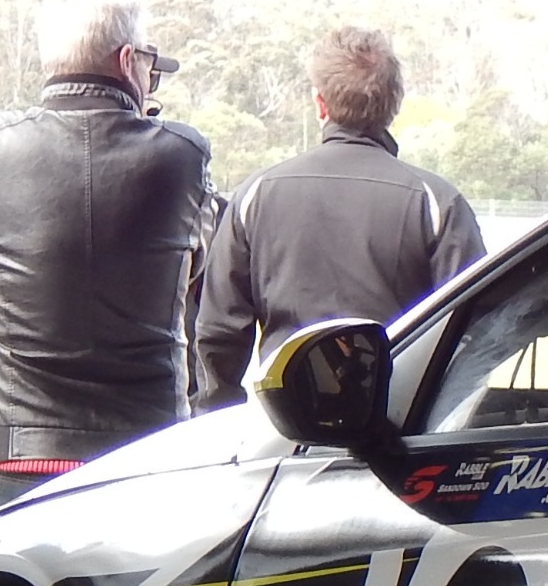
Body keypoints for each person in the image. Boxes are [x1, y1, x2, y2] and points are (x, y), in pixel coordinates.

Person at [0, 0, 214, 517]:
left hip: (22, 451)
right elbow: (193, 270)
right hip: (146, 448)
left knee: (15, 575)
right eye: (149, 60)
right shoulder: (182, 154)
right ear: (127, 60)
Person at [192, 24, 484, 406]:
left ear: (320, 104)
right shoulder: (436, 203)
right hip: (403, 423)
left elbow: (218, 333)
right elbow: (477, 330)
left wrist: (219, 416)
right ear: (394, 105)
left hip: (285, 424)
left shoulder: (256, 195)